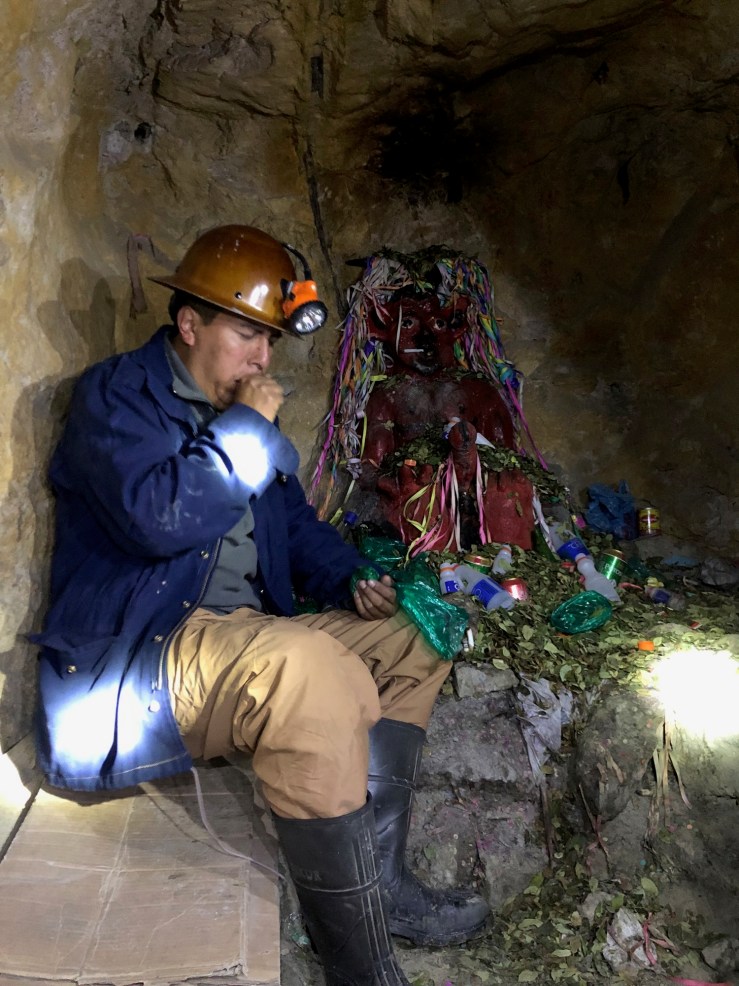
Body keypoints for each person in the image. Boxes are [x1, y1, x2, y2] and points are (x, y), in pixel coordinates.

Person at [34, 224, 489, 986]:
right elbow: (159, 520)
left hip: (243, 638)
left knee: (415, 640)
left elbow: (296, 528)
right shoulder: (119, 396)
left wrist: (347, 577)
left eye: (270, 341)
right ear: (189, 326)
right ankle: (357, 965)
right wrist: (246, 428)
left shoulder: (245, 416)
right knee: (309, 669)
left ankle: (380, 890)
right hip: (147, 654)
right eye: (247, 334)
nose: (262, 359)